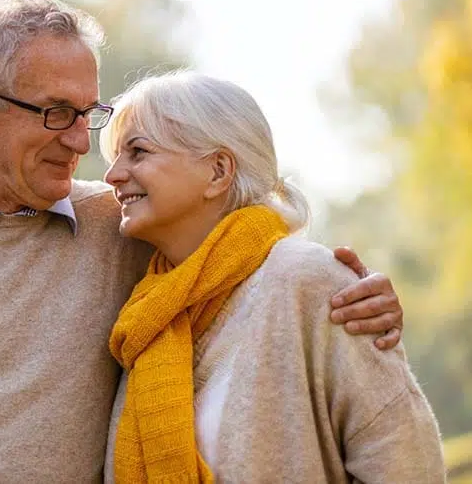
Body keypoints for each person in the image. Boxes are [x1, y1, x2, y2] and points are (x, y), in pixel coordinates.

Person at [0, 0, 405, 483]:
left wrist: (357, 295)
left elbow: (245, 236)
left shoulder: (128, 225)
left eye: (89, 113)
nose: (81, 141)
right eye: (55, 112)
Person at [100, 71, 443, 483]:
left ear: (218, 171)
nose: (112, 176)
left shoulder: (310, 281)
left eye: (137, 152)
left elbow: (405, 460)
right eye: (115, 157)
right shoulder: (147, 313)